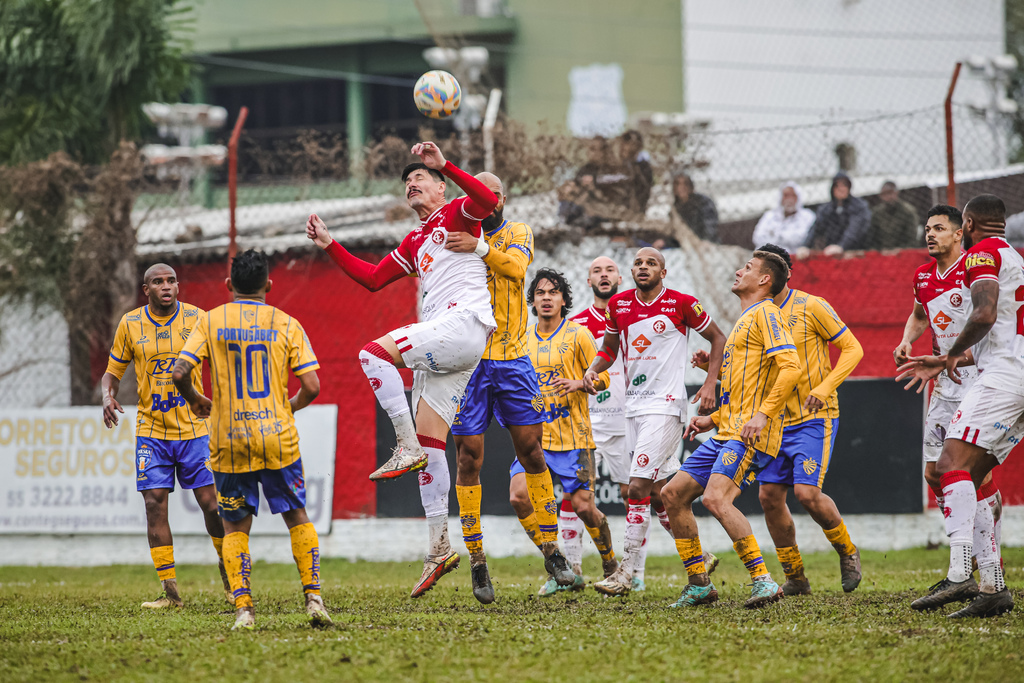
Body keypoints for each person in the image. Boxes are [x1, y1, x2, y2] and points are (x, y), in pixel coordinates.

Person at [307, 141, 569, 598]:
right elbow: (372, 279)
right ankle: (440, 550)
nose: (411, 183)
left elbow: (486, 202)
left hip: (465, 328)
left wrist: (443, 162)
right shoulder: (415, 240)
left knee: (372, 354)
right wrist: (330, 244)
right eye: (407, 181)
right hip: (459, 351)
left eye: (420, 178)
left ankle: (403, 445)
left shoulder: (460, 214)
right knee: (437, 451)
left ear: (443, 188)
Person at [172, 249, 329, 631]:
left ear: (229, 285)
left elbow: (179, 372)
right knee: (297, 517)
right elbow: (312, 385)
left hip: (228, 439)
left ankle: (244, 609)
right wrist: (286, 408)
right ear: (269, 285)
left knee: (234, 527)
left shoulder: (210, 322)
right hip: (278, 437)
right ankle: (313, 599)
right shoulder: (286, 323)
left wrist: (196, 401)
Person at [443, 172, 565, 604]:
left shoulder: (517, 232)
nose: (488, 200)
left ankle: (552, 550)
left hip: (513, 360)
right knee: (468, 459)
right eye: (480, 194)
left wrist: (477, 247)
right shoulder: (452, 237)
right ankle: (477, 561)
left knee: (532, 452)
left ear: (502, 198)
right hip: (469, 365)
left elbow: (514, 268)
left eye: (494, 193)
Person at [898, 195, 1019, 618]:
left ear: (966, 225)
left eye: (939, 227)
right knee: (957, 473)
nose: (930, 234)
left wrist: (951, 354)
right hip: (995, 372)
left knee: (954, 467)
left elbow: (984, 315)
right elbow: (998, 325)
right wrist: (939, 356)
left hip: (998, 378)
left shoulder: (979, 257)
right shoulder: (1012, 257)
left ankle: (960, 572)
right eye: (927, 229)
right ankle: (993, 586)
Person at [582, 247, 728, 597]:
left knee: (635, 489)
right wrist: (593, 369)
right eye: (638, 263)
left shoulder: (682, 304)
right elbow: (609, 349)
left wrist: (710, 384)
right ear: (631, 272)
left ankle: (625, 573)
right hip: (633, 408)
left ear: (663, 272)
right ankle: (700, 562)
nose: (643, 267)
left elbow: (718, 338)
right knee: (663, 494)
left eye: (651, 263)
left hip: (665, 408)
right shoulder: (619, 306)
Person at [660, 250, 801, 609]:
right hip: (729, 430)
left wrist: (764, 415)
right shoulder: (745, 319)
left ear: (765, 280)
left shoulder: (767, 313)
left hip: (750, 434)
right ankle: (699, 584)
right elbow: (746, 384)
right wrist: (715, 416)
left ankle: (764, 581)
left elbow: (790, 368)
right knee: (672, 494)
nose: (739, 271)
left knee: (715, 499)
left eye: (748, 269)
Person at [101, 264, 231, 610]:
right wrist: (107, 396)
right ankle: (170, 593)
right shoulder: (130, 324)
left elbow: (220, 364)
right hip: (152, 431)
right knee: (154, 503)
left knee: (213, 504)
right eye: (158, 282)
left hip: (194, 429)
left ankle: (229, 572)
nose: (166, 286)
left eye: (171, 280)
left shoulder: (199, 319)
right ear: (146, 290)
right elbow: (111, 373)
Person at [753, 244, 864, 594]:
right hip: (774, 423)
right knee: (769, 496)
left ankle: (847, 551)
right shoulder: (755, 313)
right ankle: (795, 577)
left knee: (806, 493)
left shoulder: (811, 305)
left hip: (814, 417)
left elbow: (853, 348)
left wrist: (825, 386)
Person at [509, 269, 617, 595]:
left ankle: (610, 562)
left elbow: (604, 378)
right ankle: (555, 561)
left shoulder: (579, 335)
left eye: (553, 292)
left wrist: (582, 381)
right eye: (540, 293)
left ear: (564, 300)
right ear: (532, 301)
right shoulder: (521, 339)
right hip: (533, 439)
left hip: (574, 438)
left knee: (584, 507)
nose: (546, 297)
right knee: (518, 497)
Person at [803, 172, 871, 254]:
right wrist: (805, 246)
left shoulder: (858, 206)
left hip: (856, 250)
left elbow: (854, 230)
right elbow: (816, 227)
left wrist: (841, 246)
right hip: (830, 250)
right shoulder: (827, 209)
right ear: (832, 189)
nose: (841, 189)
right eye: (837, 186)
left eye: (844, 185)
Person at [751, 182, 816, 252]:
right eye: (786, 195)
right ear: (780, 197)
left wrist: (774, 234)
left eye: (793, 196)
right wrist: (786, 237)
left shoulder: (807, 216)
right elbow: (757, 238)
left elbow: (802, 239)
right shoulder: (769, 216)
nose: (789, 199)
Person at [669, 173, 719, 243]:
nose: (682, 187)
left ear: (691, 186)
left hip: (704, 242)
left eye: (685, 184)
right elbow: (675, 231)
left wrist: (705, 241)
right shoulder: (676, 207)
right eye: (678, 184)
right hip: (684, 243)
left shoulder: (703, 202)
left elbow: (709, 227)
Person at [869, 181, 919, 250]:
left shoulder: (908, 212)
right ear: (880, 196)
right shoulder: (877, 213)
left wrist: (900, 249)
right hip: (882, 252)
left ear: (896, 193)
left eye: (890, 193)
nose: (888, 197)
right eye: (884, 194)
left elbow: (912, 239)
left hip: (903, 251)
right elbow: (872, 237)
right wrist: (878, 249)